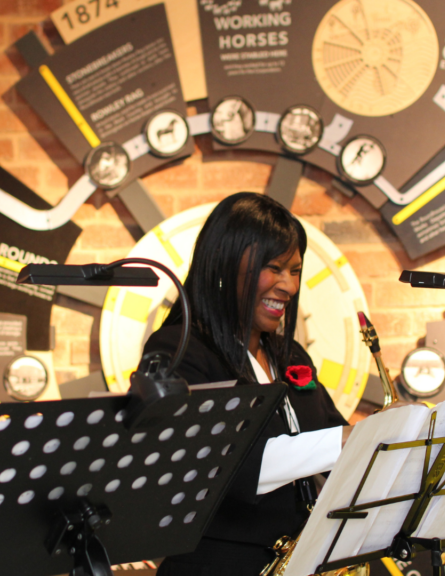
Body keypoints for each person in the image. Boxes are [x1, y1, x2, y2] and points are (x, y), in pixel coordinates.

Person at [143, 192, 351, 576]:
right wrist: (343, 441)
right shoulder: (178, 350)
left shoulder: (291, 356)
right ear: (224, 265)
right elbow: (220, 467)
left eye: (295, 271)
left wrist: (387, 435)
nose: (288, 286)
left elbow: (336, 441)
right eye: (274, 268)